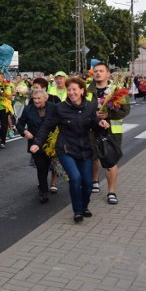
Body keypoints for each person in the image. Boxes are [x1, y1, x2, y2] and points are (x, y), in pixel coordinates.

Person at [30, 77, 110, 223]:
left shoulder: (89, 106)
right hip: (66, 148)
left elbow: (94, 123)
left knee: (87, 183)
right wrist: (38, 143)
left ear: (81, 90)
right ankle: (77, 211)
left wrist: (102, 124)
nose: (72, 92)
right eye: (69, 90)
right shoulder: (60, 108)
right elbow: (47, 126)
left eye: (75, 89)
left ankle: (84, 206)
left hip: (85, 148)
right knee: (75, 178)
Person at [88, 62, 130, 205]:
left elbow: (125, 110)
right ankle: (95, 180)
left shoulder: (117, 90)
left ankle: (111, 191)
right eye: (95, 71)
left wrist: (108, 114)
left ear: (107, 74)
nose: (98, 73)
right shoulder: (87, 90)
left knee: (110, 160)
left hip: (112, 129)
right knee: (93, 157)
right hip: (92, 129)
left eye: (101, 71)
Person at [17, 89, 55, 203]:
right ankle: (43, 191)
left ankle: (49, 184)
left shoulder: (53, 107)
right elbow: (19, 123)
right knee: (41, 167)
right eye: (34, 98)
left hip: (50, 143)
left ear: (45, 98)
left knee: (49, 166)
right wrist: (24, 131)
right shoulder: (28, 109)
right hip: (35, 143)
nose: (36, 101)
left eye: (39, 98)